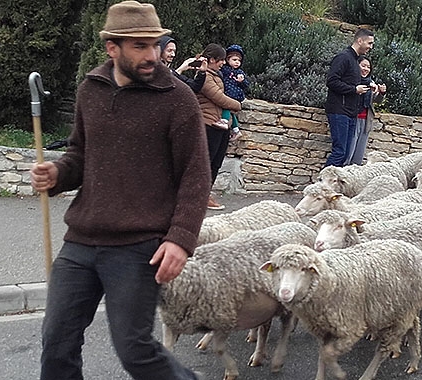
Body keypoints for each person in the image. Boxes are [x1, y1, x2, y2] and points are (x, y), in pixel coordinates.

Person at [30, 2, 209, 379]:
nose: (152, 55)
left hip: (138, 246)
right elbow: (80, 154)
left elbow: (196, 176)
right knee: (56, 343)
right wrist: (57, 174)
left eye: (155, 45)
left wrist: (180, 239)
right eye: (139, 46)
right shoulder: (90, 90)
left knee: (135, 351)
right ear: (113, 48)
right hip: (81, 241)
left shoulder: (178, 100)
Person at [195, 43, 241, 210]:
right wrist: (237, 105)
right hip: (209, 124)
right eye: (220, 60)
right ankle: (200, 196)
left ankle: (205, 194)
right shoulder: (204, 75)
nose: (223, 63)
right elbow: (218, 98)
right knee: (206, 162)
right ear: (212, 59)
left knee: (216, 163)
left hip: (220, 126)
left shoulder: (217, 74)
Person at [324, 28, 375, 167]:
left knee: (346, 153)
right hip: (339, 111)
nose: (371, 47)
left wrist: (370, 85)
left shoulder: (355, 60)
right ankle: (321, 185)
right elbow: (332, 81)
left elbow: (352, 81)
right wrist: (354, 89)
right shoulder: (343, 57)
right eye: (369, 43)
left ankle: (331, 186)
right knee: (339, 152)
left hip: (351, 113)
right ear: (360, 40)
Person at [346, 56, 387, 166]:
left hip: (366, 120)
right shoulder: (350, 80)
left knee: (359, 153)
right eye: (363, 66)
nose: (366, 69)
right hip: (352, 119)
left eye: (368, 67)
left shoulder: (371, 82)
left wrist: (381, 93)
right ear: (356, 66)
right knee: (348, 151)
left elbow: (376, 101)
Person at [220, 44, 249, 138]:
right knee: (232, 113)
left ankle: (224, 121)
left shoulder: (240, 73)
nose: (237, 62)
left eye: (239, 60)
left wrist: (242, 81)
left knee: (226, 107)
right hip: (229, 92)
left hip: (233, 94)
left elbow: (246, 85)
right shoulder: (224, 69)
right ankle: (236, 130)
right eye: (234, 60)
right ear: (227, 60)